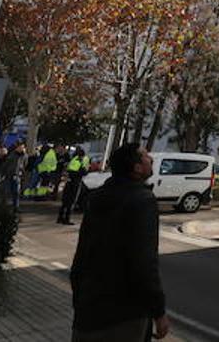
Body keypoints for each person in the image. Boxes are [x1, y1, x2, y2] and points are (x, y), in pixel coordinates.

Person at [70, 142, 169, 342]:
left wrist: (79, 297)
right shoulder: (142, 200)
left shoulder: (97, 197)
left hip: (89, 307)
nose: (151, 158)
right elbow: (144, 263)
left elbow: (83, 252)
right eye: (146, 156)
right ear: (137, 168)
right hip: (124, 313)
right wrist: (158, 311)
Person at [58, 147, 89, 225]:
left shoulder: (73, 159)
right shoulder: (81, 161)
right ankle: (67, 219)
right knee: (71, 201)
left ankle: (60, 218)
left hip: (69, 180)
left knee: (65, 200)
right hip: (76, 182)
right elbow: (84, 172)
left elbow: (68, 169)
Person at [0, 141, 27, 213]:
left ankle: (16, 207)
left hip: (17, 176)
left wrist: (22, 173)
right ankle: (3, 206)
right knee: (6, 192)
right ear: (17, 147)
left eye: (23, 147)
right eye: (20, 147)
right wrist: (2, 174)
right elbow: (6, 165)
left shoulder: (24, 156)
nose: (22, 148)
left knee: (16, 193)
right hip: (9, 176)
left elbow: (24, 165)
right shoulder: (12, 155)